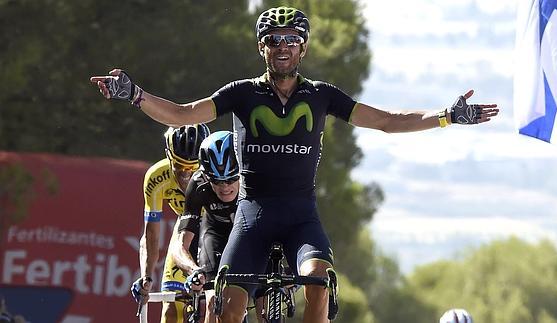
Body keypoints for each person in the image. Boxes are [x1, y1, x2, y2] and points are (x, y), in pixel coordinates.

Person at [91, 6, 499, 322]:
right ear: (261, 47)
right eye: (273, 39)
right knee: (226, 308)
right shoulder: (242, 93)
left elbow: (387, 122)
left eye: (291, 38)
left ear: (303, 47)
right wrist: (135, 94)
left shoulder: (321, 95)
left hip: (301, 215)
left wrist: (446, 115)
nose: (282, 45)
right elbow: (182, 114)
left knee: (319, 281)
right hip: (251, 216)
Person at [131, 124, 210, 323]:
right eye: (179, 167)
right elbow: (151, 235)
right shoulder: (157, 177)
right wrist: (147, 276)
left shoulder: (215, 172)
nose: (185, 176)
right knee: (172, 311)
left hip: (215, 228)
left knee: (216, 305)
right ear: (169, 157)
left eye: (193, 169)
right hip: (185, 228)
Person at [171, 131, 240, 323]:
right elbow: (180, 246)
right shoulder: (198, 184)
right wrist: (193, 270)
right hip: (215, 234)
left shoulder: (256, 179)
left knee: (264, 303)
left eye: (231, 179)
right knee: (212, 303)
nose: (224, 187)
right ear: (206, 176)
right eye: (216, 181)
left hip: (251, 236)